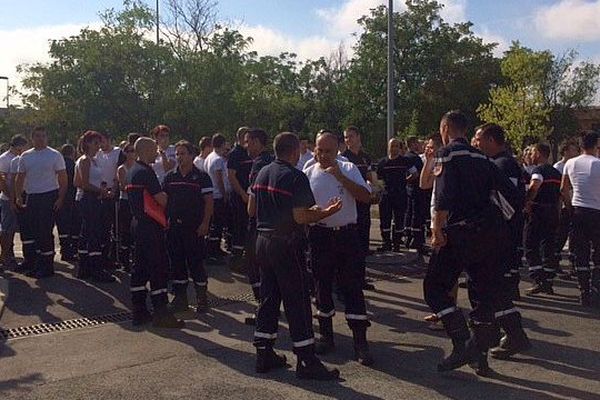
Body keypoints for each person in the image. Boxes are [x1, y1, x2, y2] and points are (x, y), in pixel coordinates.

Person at [423, 111, 530, 376]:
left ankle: (462, 343)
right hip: (486, 235)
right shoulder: (484, 158)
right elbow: (513, 196)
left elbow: (444, 198)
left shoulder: (448, 154)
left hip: (457, 233)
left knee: (434, 288)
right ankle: (479, 357)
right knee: (481, 296)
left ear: (445, 128)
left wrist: (437, 231)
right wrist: (498, 223)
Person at [249, 132, 342, 380]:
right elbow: (301, 216)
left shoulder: (262, 172)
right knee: (298, 300)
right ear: (294, 152)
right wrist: (325, 212)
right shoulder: (295, 176)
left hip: (262, 241)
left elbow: (251, 208)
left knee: (268, 297)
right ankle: (306, 359)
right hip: (286, 244)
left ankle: (264, 352)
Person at [304, 132, 374, 365]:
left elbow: (366, 196)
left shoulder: (348, 167)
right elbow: (302, 208)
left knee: (352, 286)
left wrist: (341, 177)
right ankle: (326, 335)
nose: (323, 155)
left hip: (346, 235)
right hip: (320, 236)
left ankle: (360, 342)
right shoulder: (308, 171)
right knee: (321, 285)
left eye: (328, 151)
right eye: (319, 150)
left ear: (337, 150)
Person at [126, 137, 184, 328]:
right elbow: (161, 199)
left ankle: (139, 310)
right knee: (158, 267)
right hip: (151, 226)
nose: (156, 152)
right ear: (144, 150)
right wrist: (170, 198)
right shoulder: (146, 172)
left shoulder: (132, 171)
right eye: (153, 149)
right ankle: (162, 313)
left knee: (140, 268)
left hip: (137, 223)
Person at [475, 124, 526, 300]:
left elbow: (508, 196)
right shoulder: (498, 162)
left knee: (504, 262)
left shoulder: (503, 164)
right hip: (506, 224)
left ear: (490, 140)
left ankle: (506, 294)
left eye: (479, 139)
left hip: (504, 225)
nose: (476, 143)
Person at [163, 140, 214, 314]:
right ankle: (180, 299)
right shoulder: (170, 177)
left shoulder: (201, 177)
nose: (179, 157)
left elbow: (208, 202)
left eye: (183, 153)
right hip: (174, 229)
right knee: (177, 264)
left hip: (194, 228)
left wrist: (205, 223)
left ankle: (202, 299)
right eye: (177, 154)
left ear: (192, 155)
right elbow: (164, 201)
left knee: (196, 264)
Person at [15, 126, 68, 278]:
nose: (40, 139)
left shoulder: (54, 155)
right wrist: (18, 196)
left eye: (43, 136)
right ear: (32, 138)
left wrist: (60, 198)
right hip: (32, 197)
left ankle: (47, 266)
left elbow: (63, 178)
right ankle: (36, 263)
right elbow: (20, 178)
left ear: (47, 138)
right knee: (34, 231)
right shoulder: (26, 156)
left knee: (45, 231)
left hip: (49, 196)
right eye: (37, 136)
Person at [561, 131, 600, 307]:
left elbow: (563, 189)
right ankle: (596, 286)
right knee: (597, 252)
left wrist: (570, 208)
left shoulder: (570, 163)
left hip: (578, 210)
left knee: (581, 252)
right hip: (596, 211)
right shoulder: (598, 164)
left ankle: (583, 290)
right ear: (596, 145)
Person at [73, 131, 116, 283]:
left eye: (99, 142)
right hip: (88, 199)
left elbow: (78, 182)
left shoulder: (93, 161)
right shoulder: (85, 160)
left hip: (93, 198)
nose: (98, 146)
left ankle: (84, 266)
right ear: (88, 144)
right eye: (95, 143)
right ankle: (95, 268)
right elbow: (83, 184)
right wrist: (101, 191)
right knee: (93, 232)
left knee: (87, 232)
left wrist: (102, 189)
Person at [522, 142, 562, 295]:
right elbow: (560, 196)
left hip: (538, 212)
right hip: (552, 212)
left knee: (530, 244)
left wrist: (527, 202)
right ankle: (548, 279)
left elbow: (535, 185)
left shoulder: (538, 170)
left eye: (532, 153)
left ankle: (539, 279)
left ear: (538, 153)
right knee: (548, 246)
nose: (531, 156)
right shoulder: (556, 173)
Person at [244, 128, 274, 325]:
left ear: (256, 142)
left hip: (259, 223)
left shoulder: (258, 165)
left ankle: (263, 307)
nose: (246, 146)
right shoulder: (272, 161)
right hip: (275, 223)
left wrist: (250, 211)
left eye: (248, 141)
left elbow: (253, 202)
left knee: (254, 265)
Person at [342, 126, 375, 290]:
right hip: (350, 206)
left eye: (351, 136)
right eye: (346, 137)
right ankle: (348, 281)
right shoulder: (343, 159)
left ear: (358, 137)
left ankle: (361, 279)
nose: (348, 140)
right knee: (349, 247)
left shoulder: (365, 157)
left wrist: (373, 187)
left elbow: (369, 177)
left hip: (364, 205)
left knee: (363, 244)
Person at [375, 138, 417, 252]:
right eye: (392, 146)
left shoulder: (405, 161)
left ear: (400, 148)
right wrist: (379, 189)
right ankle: (386, 243)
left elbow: (415, 173)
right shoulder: (382, 163)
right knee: (385, 220)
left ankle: (397, 244)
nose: (394, 148)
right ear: (388, 147)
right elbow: (377, 179)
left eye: (396, 146)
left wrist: (405, 181)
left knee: (399, 219)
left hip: (400, 194)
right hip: (386, 195)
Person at [0, 135, 28, 270]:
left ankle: (9, 255)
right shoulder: (5, 159)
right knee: (7, 229)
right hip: (8, 199)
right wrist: (11, 197)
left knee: (13, 228)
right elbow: (3, 182)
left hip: (18, 197)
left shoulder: (20, 158)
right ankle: (5, 256)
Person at [96, 131, 123, 268]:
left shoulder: (118, 152)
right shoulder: (98, 154)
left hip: (113, 193)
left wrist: (114, 189)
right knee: (103, 227)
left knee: (115, 227)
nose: (101, 144)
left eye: (103, 141)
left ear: (109, 140)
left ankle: (114, 256)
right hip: (100, 193)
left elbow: (120, 171)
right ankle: (103, 256)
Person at [553, 140, 580, 278]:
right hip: (564, 205)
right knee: (561, 234)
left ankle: (572, 262)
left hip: (574, 202)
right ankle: (555, 261)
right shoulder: (559, 167)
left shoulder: (576, 165)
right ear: (565, 151)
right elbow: (560, 188)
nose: (575, 152)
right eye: (573, 149)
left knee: (573, 235)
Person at [227, 127, 253, 266]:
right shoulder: (235, 154)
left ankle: (245, 256)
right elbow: (231, 176)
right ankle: (236, 259)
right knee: (239, 226)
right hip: (239, 197)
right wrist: (242, 194)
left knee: (246, 226)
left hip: (249, 195)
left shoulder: (248, 153)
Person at [204, 133, 229, 263]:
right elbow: (219, 180)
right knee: (217, 224)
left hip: (211, 194)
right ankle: (213, 250)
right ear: (222, 144)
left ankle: (214, 248)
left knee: (214, 224)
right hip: (217, 195)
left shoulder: (209, 157)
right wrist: (224, 194)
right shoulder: (218, 160)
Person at [55, 144, 79, 262]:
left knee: (61, 225)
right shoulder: (73, 165)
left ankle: (64, 248)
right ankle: (70, 250)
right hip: (70, 197)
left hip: (57, 196)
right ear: (72, 152)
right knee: (71, 225)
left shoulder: (58, 164)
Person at [116, 141, 137, 270]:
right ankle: (124, 260)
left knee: (136, 231)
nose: (130, 154)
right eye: (128, 151)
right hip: (125, 201)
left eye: (132, 151)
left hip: (137, 202)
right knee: (125, 231)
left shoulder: (139, 167)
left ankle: (136, 258)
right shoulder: (121, 168)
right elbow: (123, 187)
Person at [404, 136, 426, 253]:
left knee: (409, 212)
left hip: (408, 189)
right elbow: (416, 174)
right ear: (412, 144)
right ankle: (416, 239)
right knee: (417, 214)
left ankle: (408, 236)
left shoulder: (405, 157)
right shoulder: (414, 158)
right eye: (417, 143)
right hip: (417, 189)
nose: (419, 145)